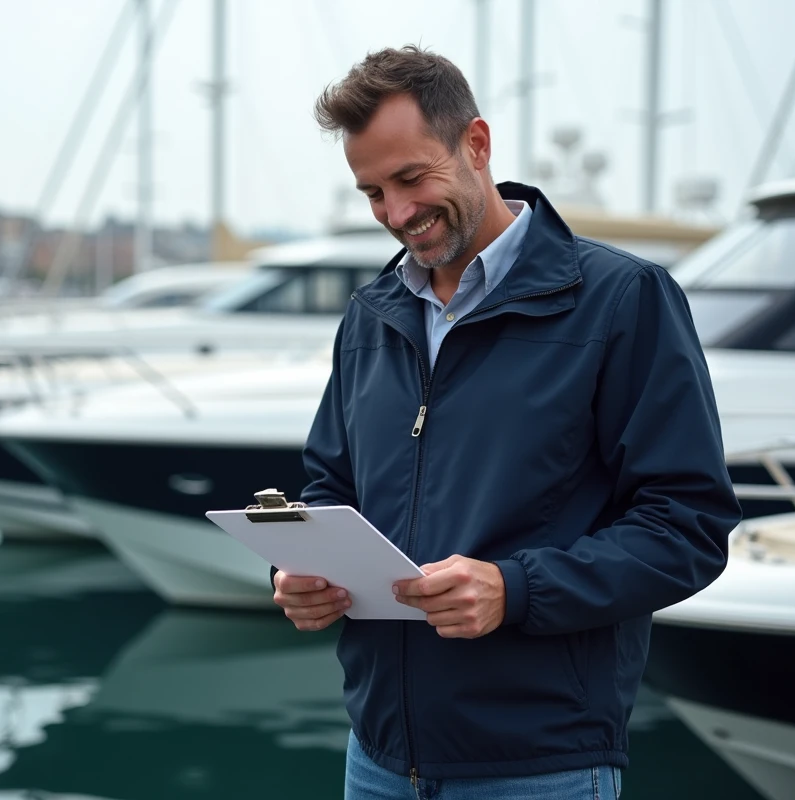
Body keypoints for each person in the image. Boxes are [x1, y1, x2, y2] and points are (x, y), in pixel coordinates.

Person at [272, 46, 741, 800]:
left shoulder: (623, 300)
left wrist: (514, 588)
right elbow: (331, 485)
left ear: (477, 145)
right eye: (372, 193)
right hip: (377, 759)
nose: (396, 214)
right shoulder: (370, 316)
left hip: (540, 767)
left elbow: (687, 526)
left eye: (412, 179)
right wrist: (298, 573)